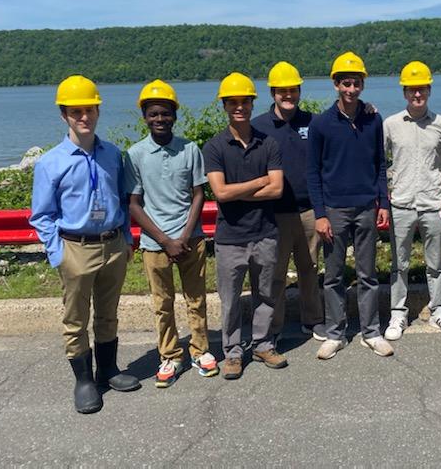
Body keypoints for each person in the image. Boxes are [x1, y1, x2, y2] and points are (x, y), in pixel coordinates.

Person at [30, 75, 140, 414]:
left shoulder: (113, 154)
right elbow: (42, 215)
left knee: (108, 313)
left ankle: (108, 369)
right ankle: (84, 380)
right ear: (64, 115)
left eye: (90, 110)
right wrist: (57, 252)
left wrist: (124, 237)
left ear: (97, 112)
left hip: (112, 244)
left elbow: (123, 199)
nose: (84, 117)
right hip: (75, 247)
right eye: (76, 111)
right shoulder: (51, 162)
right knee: (76, 319)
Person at [125, 79, 219, 388]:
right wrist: (166, 240)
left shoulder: (190, 148)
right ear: (145, 117)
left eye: (165, 113)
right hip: (155, 243)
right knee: (161, 303)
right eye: (153, 114)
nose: (160, 119)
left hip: (191, 239)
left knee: (196, 298)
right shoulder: (135, 154)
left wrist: (184, 235)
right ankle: (170, 355)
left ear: (174, 116)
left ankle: (200, 349)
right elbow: (134, 204)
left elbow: (198, 195)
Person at [307, 51, 393, 360]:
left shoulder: (373, 119)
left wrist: (382, 201)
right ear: (335, 84)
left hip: (367, 207)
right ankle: (336, 333)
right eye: (345, 83)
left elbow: (380, 164)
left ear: (362, 85)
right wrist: (320, 214)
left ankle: (371, 332)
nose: (351, 90)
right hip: (334, 210)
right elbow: (313, 172)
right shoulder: (321, 124)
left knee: (368, 274)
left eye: (356, 83)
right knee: (333, 276)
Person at [203, 72, 287, 379]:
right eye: (233, 102)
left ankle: (263, 344)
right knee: (230, 300)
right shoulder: (214, 147)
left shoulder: (269, 144)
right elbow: (221, 194)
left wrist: (240, 191)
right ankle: (234, 352)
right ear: (225, 106)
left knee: (266, 294)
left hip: (265, 233)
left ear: (252, 104)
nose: (240, 107)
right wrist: (259, 181)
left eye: (245, 102)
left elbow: (277, 189)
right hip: (230, 238)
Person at [383, 61, 441, 340]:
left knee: (435, 263)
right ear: (405, 92)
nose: (417, 95)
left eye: (422, 90)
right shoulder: (390, 125)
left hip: (433, 204)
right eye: (412, 90)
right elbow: (376, 163)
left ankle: (439, 310)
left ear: (429, 90)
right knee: (399, 264)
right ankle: (397, 314)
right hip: (401, 205)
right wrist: (384, 193)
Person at [252, 62, 326, 343]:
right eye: (283, 91)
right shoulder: (259, 126)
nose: (289, 95)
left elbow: (338, 125)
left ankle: (314, 320)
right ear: (272, 92)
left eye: (293, 90)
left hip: (309, 210)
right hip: (275, 214)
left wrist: (368, 109)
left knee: (309, 268)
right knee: (275, 273)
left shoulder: (313, 122)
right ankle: (273, 326)